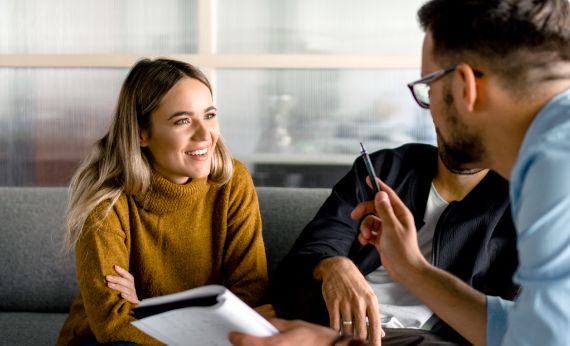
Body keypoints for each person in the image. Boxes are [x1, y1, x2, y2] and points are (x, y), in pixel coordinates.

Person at [229, 0, 570, 345]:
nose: (427, 108)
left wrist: (331, 344)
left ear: (464, 87)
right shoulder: (550, 148)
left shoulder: (554, 168)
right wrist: (411, 269)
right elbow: (527, 331)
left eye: (428, 90)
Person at [56, 58, 268, 345]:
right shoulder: (106, 199)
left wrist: (142, 307)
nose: (205, 135)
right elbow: (113, 323)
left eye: (209, 115)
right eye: (183, 121)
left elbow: (250, 292)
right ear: (142, 133)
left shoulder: (233, 182)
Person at [271, 143, 518, 346]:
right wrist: (333, 265)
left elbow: (517, 321)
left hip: (425, 339)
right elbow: (312, 249)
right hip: (335, 325)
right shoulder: (386, 168)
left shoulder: (519, 201)